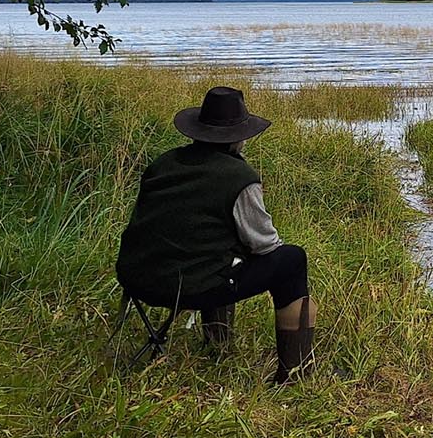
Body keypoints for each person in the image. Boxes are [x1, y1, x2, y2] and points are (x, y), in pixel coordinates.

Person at [115, 86, 317, 384]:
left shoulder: (163, 163)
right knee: (292, 260)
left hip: (138, 278)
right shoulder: (239, 177)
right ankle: (295, 374)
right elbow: (265, 245)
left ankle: (218, 347)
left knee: (220, 252)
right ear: (240, 137)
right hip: (194, 287)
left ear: (196, 129)